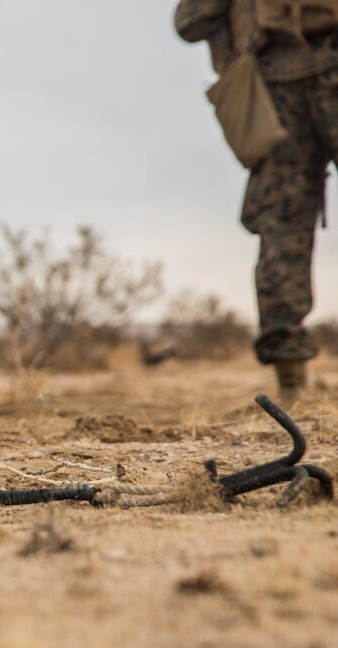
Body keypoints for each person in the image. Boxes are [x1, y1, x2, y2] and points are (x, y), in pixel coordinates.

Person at [175, 0, 338, 402]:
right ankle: (291, 381)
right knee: (281, 222)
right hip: (272, 85)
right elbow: (189, 22)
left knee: (281, 222)